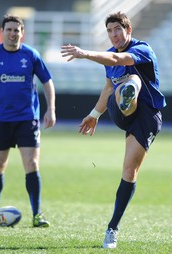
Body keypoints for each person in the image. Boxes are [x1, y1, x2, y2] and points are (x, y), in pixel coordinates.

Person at [61, 12, 166, 248]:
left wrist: (85, 53)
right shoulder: (109, 58)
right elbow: (108, 88)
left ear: (128, 30)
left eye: (117, 29)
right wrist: (94, 115)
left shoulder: (143, 49)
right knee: (125, 86)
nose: (114, 34)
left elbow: (120, 60)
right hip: (121, 111)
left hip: (147, 116)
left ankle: (112, 229)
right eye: (109, 31)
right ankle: (128, 94)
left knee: (129, 172)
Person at [0, 14, 56, 228]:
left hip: (28, 119)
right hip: (0, 120)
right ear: (2, 32)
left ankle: (37, 215)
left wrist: (50, 109)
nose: (12, 33)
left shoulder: (31, 55)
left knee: (32, 164)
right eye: (9, 29)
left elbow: (47, 82)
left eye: (16, 30)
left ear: (22, 33)